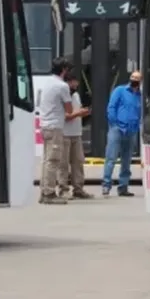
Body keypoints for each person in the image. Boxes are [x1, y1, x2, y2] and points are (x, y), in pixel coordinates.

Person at [38, 57, 87, 204]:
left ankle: (44, 191)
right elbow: (69, 109)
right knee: (54, 161)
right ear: (64, 70)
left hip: (45, 126)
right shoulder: (62, 86)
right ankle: (49, 193)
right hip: (55, 127)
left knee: (47, 160)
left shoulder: (47, 82)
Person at [102, 70, 142, 197]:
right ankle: (106, 185)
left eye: (137, 78)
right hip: (117, 129)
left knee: (126, 160)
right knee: (111, 158)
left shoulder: (140, 95)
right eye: (133, 77)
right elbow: (111, 107)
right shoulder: (120, 90)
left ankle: (123, 187)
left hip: (131, 131)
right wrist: (114, 124)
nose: (134, 80)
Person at [58, 72, 90, 200]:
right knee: (63, 163)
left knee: (78, 162)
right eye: (74, 81)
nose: (76, 84)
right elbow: (65, 116)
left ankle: (78, 188)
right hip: (64, 133)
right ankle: (63, 189)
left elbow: (76, 110)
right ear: (68, 82)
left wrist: (83, 112)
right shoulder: (62, 95)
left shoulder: (76, 95)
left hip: (76, 133)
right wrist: (78, 113)